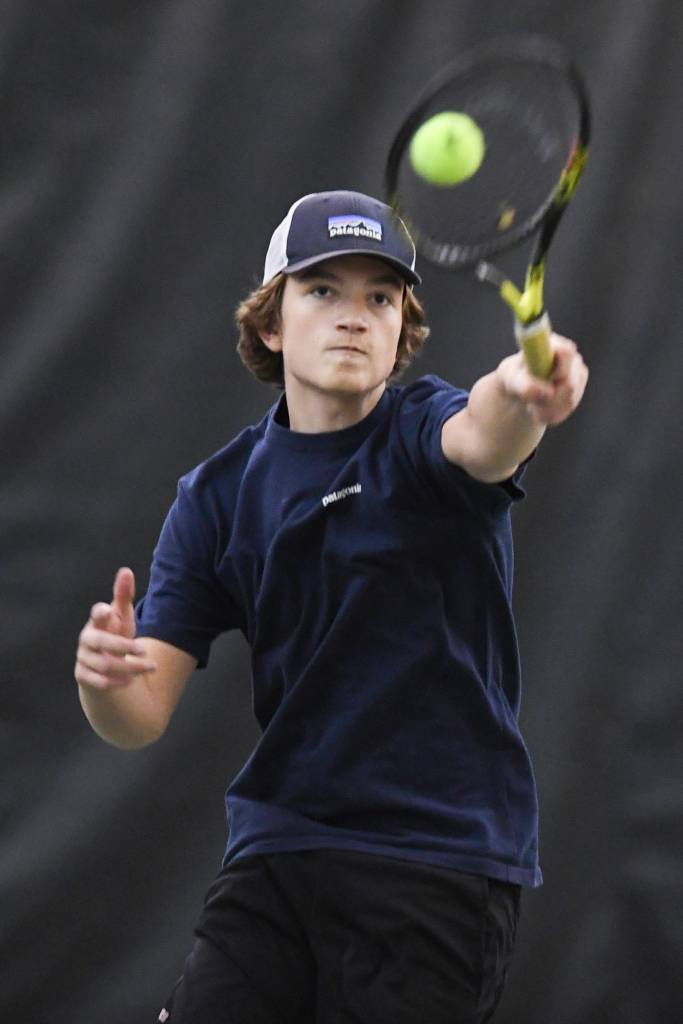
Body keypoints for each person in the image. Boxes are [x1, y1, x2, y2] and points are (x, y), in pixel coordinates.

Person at [74, 189, 588, 1023]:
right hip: (278, 854)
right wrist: (105, 681)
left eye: (379, 297)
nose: (353, 316)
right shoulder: (215, 496)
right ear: (271, 324)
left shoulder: (426, 432)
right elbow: (140, 713)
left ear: (402, 330)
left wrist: (526, 389)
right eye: (322, 291)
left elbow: (487, 430)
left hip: (435, 863)